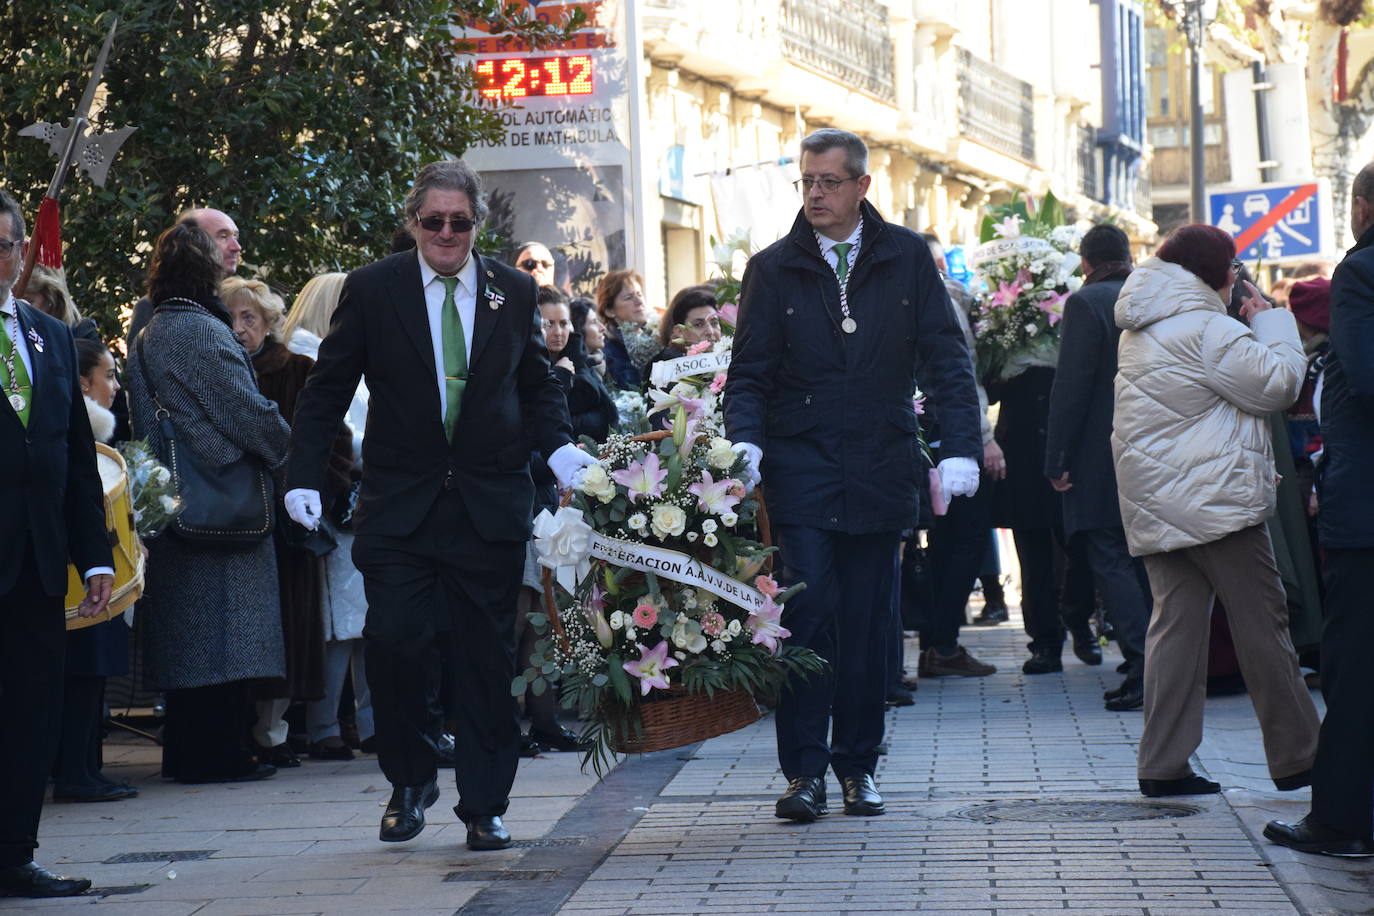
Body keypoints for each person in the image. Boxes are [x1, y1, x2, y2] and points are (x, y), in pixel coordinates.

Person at [283, 159, 593, 852]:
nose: (446, 233)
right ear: (414, 222)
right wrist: (303, 475)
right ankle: (410, 776)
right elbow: (327, 390)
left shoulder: (513, 291)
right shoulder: (373, 289)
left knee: (485, 660)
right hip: (400, 505)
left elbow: (537, 387)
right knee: (396, 644)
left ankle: (484, 804)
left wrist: (560, 449)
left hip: (487, 504)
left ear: (477, 224)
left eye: (459, 222)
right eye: (433, 221)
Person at [724, 129, 981, 823]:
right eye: (807, 180)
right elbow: (748, 374)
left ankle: (858, 768)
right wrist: (744, 445)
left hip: (881, 464)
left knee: (871, 626)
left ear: (862, 187)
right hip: (801, 469)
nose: (814, 193)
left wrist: (960, 446)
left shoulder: (904, 258)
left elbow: (946, 358)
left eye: (829, 181)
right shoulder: (774, 267)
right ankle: (802, 773)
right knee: (807, 618)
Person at [1111, 223, 1319, 798]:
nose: (1236, 277)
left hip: (1159, 501)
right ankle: (1301, 756)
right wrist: (1272, 322)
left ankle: (1163, 763)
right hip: (1216, 503)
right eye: (1233, 267)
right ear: (1217, 272)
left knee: (1175, 629)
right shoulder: (1206, 328)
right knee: (1264, 625)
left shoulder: (1141, 327)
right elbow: (1276, 385)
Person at [125, 219, 290, 785]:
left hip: (178, 503)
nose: (234, 252)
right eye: (223, 244)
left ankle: (194, 753)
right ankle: (220, 755)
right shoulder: (198, 330)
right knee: (223, 637)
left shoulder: (151, 331)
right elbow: (243, 411)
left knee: (192, 641)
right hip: (221, 502)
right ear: (202, 266)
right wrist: (288, 447)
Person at [0, 189, 114, 898]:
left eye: (5, 244)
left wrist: (95, 553)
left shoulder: (47, 334)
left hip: (38, 564)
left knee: (30, 714)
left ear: (20, 254)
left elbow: (74, 457)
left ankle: (15, 853)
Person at [1266, 164, 1374, 857]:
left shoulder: (1361, 272)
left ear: (1362, 207)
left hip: (1367, 513)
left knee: (1355, 665)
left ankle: (1340, 820)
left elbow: (1364, 374)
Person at [224, 277, 352, 767]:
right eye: (231, 318)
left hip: (286, 526)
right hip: (235, 522)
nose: (239, 329)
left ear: (271, 323)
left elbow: (335, 442)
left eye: (249, 318)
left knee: (290, 631)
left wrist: (307, 493)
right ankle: (250, 732)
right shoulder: (219, 371)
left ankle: (275, 730)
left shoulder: (298, 369)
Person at [1043, 224, 1151, 712]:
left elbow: (1072, 388)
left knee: (1110, 557)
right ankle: (1156, 666)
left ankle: (1146, 668)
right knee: (1147, 563)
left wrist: (1056, 458)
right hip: (1153, 449)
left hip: (1099, 454)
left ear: (1085, 263)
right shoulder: (1147, 296)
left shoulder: (1087, 305)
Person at [283, 272, 376, 760]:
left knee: (358, 623)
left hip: (351, 505)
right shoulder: (310, 355)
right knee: (339, 627)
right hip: (334, 504)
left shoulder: (327, 352)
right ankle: (327, 727)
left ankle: (360, 722)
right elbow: (342, 431)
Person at [50, 339, 138, 803]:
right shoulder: (85, 427)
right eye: (108, 375)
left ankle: (84, 767)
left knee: (91, 671)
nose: (115, 385)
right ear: (83, 382)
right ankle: (76, 771)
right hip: (78, 569)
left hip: (84, 566)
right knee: (83, 669)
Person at [913, 234, 998, 680]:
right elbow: (960, 372)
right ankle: (942, 644)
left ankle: (937, 645)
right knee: (965, 541)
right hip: (950, 438)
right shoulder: (941, 298)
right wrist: (984, 438)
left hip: (919, 433)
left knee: (943, 545)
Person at [126, 207, 242, 345]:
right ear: (191, 241)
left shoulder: (236, 301)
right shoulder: (153, 308)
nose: (236, 247)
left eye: (235, 236)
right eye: (223, 237)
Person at [643, 284, 722, 387]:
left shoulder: (731, 357)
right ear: (680, 331)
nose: (710, 331)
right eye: (698, 324)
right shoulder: (666, 365)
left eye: (714, 323)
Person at [595, 269, 657, 391]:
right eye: (629, 297)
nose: (639, 302)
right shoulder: (605, 353)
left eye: (639, 294)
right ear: (610, 311)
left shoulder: (657, 340)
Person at [570, 296, 607, 381]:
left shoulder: (603, 361)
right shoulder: (573, 372)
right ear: (579, 328)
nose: (602, 328)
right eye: (594, 322)